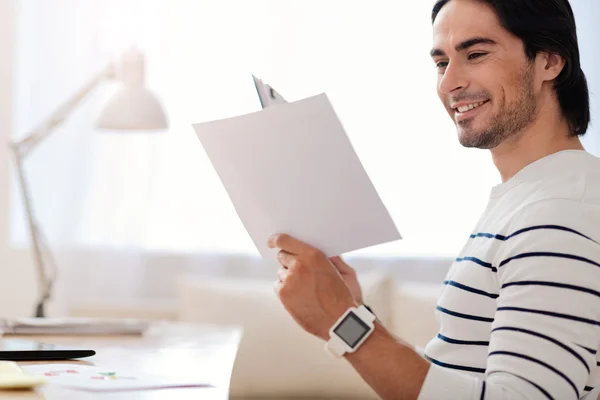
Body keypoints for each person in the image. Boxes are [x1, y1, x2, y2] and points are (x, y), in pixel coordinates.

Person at [267, 0, 600, 399]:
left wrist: (340, 319)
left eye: (475, 55)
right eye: (442, 63)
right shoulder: (534, 198)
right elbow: (461, 377)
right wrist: (354, 314)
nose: (448, 84)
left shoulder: (561, 212)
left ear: (550, 61)